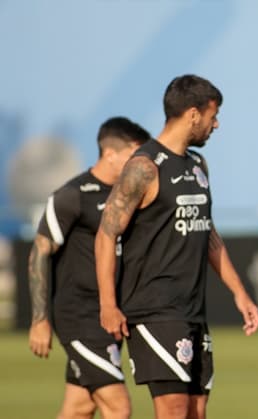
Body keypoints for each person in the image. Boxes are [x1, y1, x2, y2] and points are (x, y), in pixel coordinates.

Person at [95, 74, 258, 419]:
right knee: (173, 410)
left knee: (196, 412)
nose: (216, 125)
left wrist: (239, 293)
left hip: (193, 311)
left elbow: (208, 233)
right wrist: (108, 304)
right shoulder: (143, 167)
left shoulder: (198, 165)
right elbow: (106, 234)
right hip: (154, 309)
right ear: (193, 114)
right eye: (213, 115)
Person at [28, 116, 151, 419]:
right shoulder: (73, 196)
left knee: (79, 407)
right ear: (110, 154)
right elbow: (39, 252)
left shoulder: (129, 196)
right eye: (134, 154)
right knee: (118, 407)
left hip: (110, 318)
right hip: (80, 318)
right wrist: (40, 320)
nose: (141, 163)